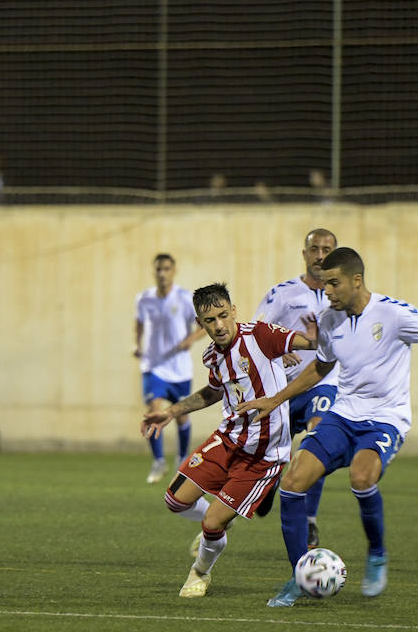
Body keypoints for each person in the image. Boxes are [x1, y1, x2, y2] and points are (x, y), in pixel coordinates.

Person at [238, 247, 418, 606]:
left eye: (334, 283)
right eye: (325, 284)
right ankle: (299, 575)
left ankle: (376, 554)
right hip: (343, 415)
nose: (327, 291)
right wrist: (276, 399)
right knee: (293, 483)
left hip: (385, 419)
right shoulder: (329, 319)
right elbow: (321, 367)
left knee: (361, 477)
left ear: (356, 280)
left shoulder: (394, 314)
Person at [141, 283, 317, 599]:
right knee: (175, 501)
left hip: (264, 455)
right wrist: (172, 411)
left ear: (233, 311)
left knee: (211, 524)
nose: (219, 325)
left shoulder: (260, 335)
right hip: (228, 439)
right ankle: (224, 515)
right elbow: (213, 392)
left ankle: (200, 572)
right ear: (200, 323)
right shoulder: (213, 356)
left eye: (223, 315)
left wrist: (315, 337)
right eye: (210, 320)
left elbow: (309, 343)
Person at [255, 228, 340, 548]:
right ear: (304, 254)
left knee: (318, 440)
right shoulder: (282, 293)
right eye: (314, 249)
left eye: (326, 250)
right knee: (271, 454)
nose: (320, 256)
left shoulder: (342, 297)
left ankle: (310, 519)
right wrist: (278, 349)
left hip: (324, 383)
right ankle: (271, 481)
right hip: (284, 389)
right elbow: (257, 332)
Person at [134, 254, 205, 484]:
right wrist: (137, 344)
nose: (162, 273)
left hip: (179, 369)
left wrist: (191, 339)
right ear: (153, 272)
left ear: (174, 271)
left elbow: (203, 325)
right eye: (159, 269)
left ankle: (182, 459)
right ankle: (158, 461)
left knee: (181, 416)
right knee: (154, 410)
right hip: (153, 366)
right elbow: (139, 323)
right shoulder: (144, 299)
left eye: (166, 269)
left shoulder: (185, 298)